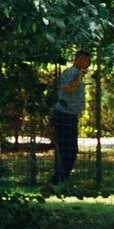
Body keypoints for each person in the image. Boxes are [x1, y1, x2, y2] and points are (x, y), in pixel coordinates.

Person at [49, 50, 91, 187]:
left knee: (67, 149)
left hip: (70, 116)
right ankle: (59, 180)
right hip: (64, 116)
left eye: (90, 62)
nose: (88, 65)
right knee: (69, 150)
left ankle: (60, 179)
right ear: (78, 59)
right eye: (86, 61)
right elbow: (67, 89)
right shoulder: (73, 72)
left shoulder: (76, 73)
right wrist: (79, 78)